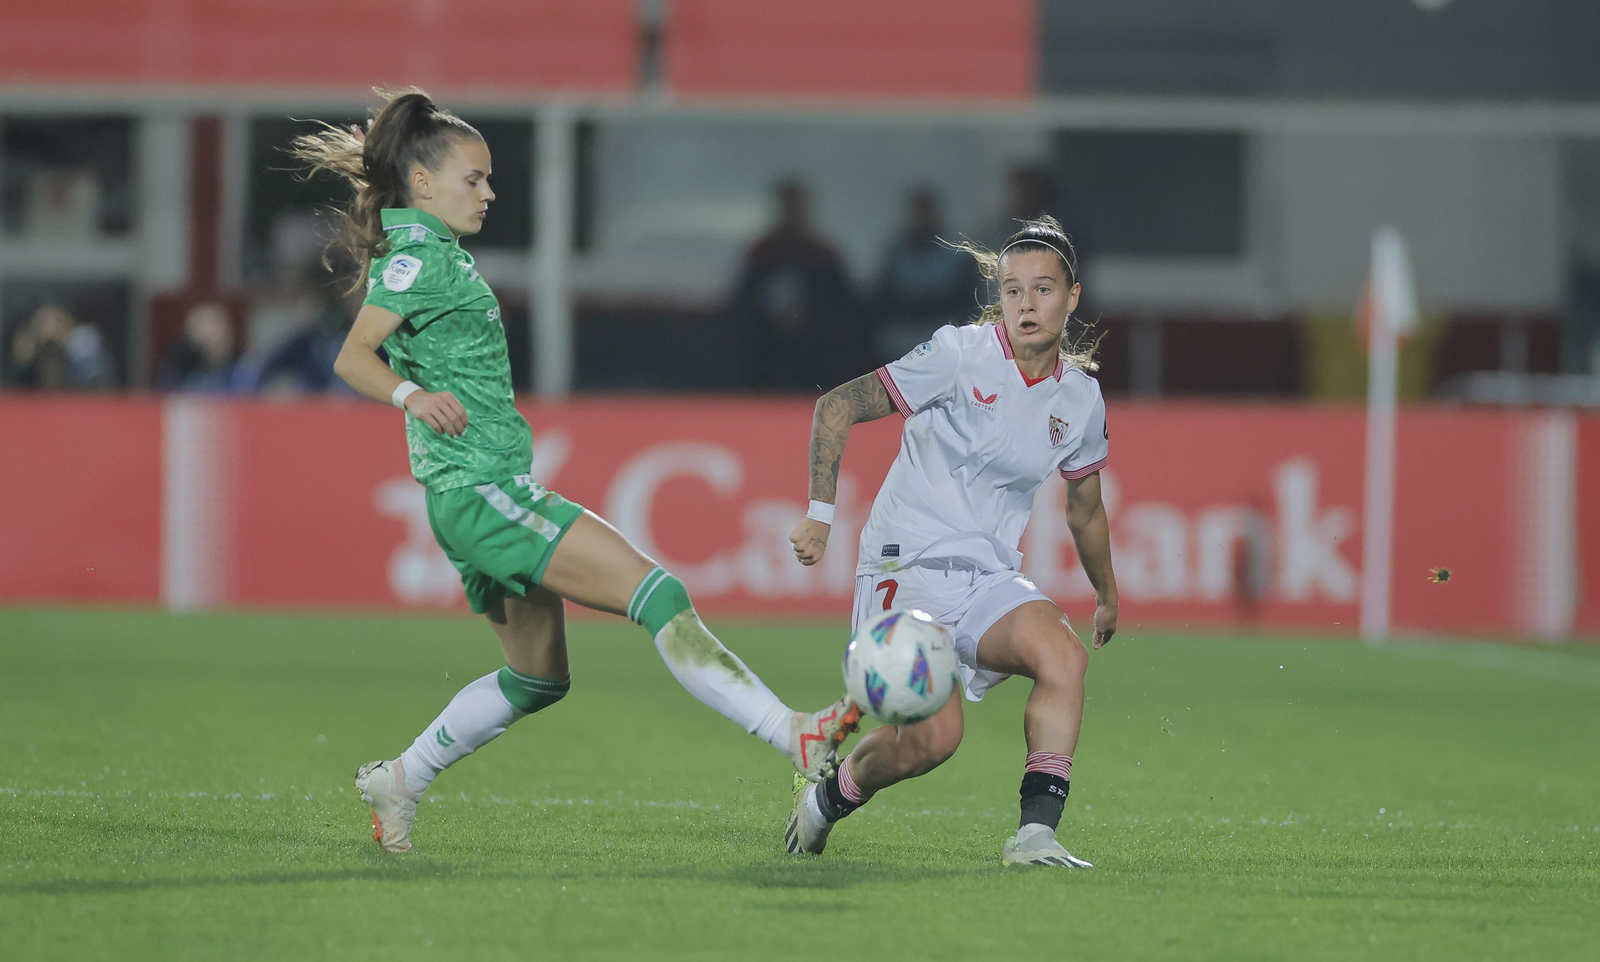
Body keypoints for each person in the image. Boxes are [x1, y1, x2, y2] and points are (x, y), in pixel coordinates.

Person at [289, 89, 858, 854]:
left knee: (537, 678)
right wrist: (412, 394)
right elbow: (351, 355)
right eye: (474, 178)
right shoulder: (421, 257)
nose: (489, 192)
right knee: (659, 593)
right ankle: (790, 732)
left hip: (468, 496)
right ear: (423, 183)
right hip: (485, 491)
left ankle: (402, 778)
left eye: (490, 178)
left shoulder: (422, 248)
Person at [785, 215, 1119, 868]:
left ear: (1072, 297)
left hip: (987, 574)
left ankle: (1035, 836)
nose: (1027, 304)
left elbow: (1085, 508)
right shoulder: (959, 356)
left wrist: (1106, 591)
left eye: (1043, 289)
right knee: (933, 742)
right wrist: (819, 514)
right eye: (1014, 290)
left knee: (1064, 657)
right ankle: (826, 800)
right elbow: (838, 406)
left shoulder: (1081, 400)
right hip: (904, 562)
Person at [725, 179, 859, 391]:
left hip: (815, 350)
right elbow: (743, 300)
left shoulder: (822, 253)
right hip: (769, 349)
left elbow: (841, 305)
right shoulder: (764, 251)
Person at [867, 187, 984, 364]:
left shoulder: (956, 253)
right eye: (917, 212)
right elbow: (882, 299)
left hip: (944, 331)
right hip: (901, 336)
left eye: (926, 212)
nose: (921, 219)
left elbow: (968, 300)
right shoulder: (895, 253)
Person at [8, 303, 118, 390]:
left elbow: (97, 382)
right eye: (43, 325)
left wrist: (71, 346)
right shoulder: (31, 351)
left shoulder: (80, 351)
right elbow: (16, 383)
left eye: (56, 324)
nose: (50, 332)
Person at [157, 302, 253, 392]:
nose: (208, 334)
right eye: (199, 328)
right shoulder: (177, 371)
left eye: (214, 325)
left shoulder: (246, 370)